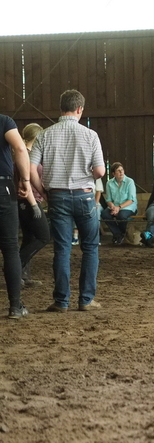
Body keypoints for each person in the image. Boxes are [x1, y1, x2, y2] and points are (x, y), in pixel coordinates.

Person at [30, 89, 105, 313]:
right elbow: (100, 171)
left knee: (62, 249)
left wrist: (43, 189)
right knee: (90, 247)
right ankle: (86, 299)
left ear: (60, 108)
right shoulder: (90, 135)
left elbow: (32, 168)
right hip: (84, 195)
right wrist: (86, 176)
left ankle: (61, 301)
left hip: (58, 196)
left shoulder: (45, 135)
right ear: (80, 109)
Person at [1, 114, 32, 319]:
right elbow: (20, 148)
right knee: (10, 247)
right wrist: (26, 180)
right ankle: (15, 306)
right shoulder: (4, 121)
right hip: (2, 187)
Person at [16, 123, 49, 288]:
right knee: (44, 236)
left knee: (29, 238)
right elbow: (26, 181)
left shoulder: (26, 153)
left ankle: (23, 275)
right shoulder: (26, 156)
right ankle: (16, 266)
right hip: (29, 200)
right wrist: (34, 204)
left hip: (28, 200)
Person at [102, 162, 138, 245]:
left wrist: (119, 207)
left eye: (122, 170)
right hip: (114, 206)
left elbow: (131, 199)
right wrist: (112, 207)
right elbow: (108, 199)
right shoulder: (109, 183)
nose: (121, 172)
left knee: (121, 215)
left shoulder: (130, 181)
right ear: (113, 174)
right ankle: (118, 234)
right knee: (105, 214)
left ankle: (120, 234)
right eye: (118, 171)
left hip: (128, 206)